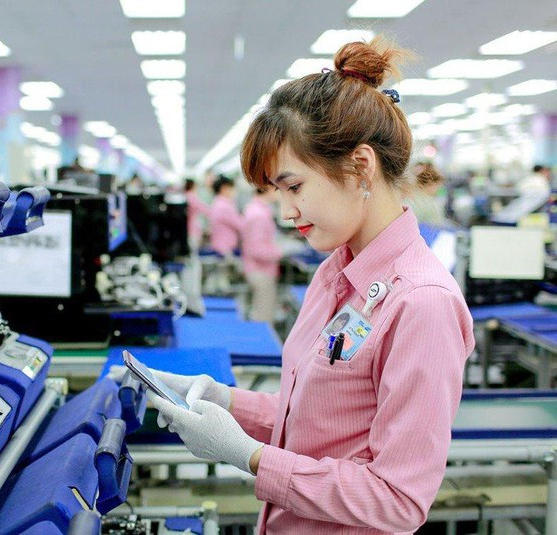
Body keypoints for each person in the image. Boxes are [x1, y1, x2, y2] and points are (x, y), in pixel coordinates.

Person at [142, 37, 474, 533]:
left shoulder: (422, 304)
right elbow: (321, 419)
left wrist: (252, 456)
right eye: (277, 192)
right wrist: (224, 400)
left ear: (361, 166)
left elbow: (398, 499)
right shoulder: (335, 274)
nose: (285, 211)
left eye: (294, 187)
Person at [241, 188, 282, 323]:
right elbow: (257, 250)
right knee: (263, 317)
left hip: (257, 268)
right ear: (268, 189)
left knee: (261, 312)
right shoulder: (259, 215)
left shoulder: (256, 210)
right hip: (261, 271)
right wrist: (281, 252)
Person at [208, 175, 243, 257]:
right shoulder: (224, 206)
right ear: (224, 188)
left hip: (220, 245)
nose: (234, 191)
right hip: (226, 248)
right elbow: (240, 224)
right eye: (232, 188)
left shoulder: (217, 202)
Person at [184, 178, 210, 252]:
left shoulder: (184, 195)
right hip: (192, 227)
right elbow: (204, 208)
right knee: (193, 248)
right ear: (193, 186)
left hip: (187, 226)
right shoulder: (192, 196)